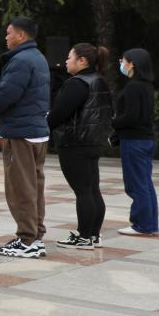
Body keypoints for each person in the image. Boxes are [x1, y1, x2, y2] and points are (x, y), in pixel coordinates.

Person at [0, 17, 51, 259]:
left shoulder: (21, 60)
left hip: (20, 133)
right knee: (35, 186)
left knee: (20, 188)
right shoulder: (38, 57)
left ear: (21, 35)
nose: (6, 37)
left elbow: (7, 93)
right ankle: (36, 236)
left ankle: (26, 239)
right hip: (37, 131)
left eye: (9, 33)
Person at [49, 43, 113, 249]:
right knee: (92, 189)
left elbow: (59, 113)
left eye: (70, 57)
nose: (66, 61)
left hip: (75, 143)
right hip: (94, 141)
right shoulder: (99, 81)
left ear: (82, 61)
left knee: (83, 191)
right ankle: (93, 235)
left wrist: (47, 122)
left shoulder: (77, 83)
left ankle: (84, 236)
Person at [113, 48, 158, 237]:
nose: (121, 63)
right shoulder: (146, 86)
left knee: (136, 184)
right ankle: (150, 224)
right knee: (145, 183)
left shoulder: (133, 86)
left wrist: (111, 122)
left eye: (123, 60)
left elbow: (131, 117)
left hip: (134, 141)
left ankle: (141, 225)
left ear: (132, 64)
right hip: (146, 140)